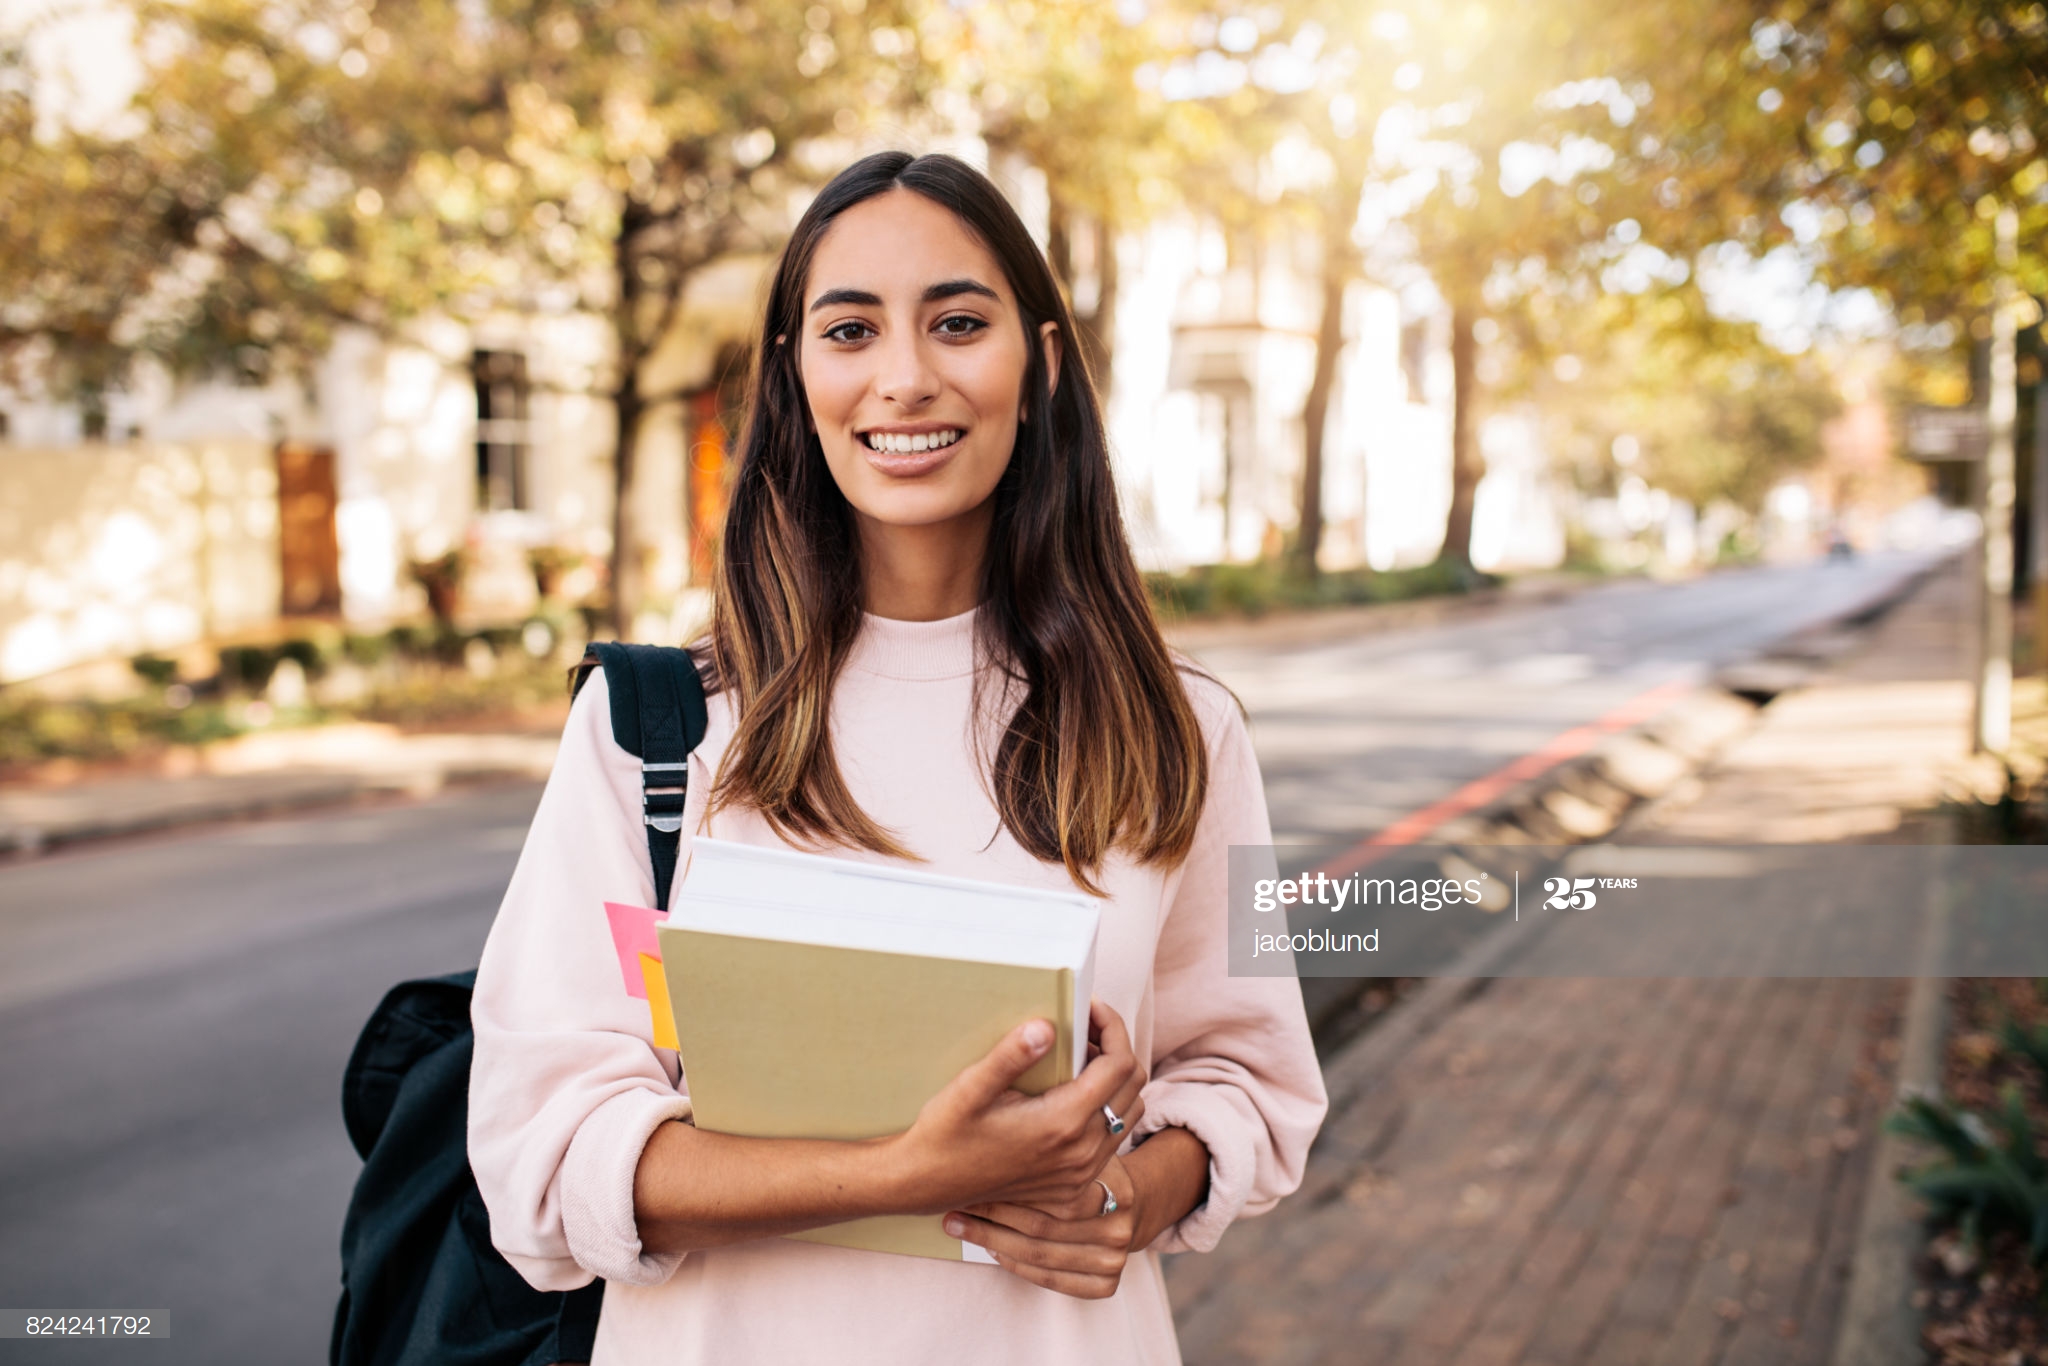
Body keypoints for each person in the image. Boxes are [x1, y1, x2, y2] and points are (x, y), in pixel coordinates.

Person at [468, 150, 1327, 1365]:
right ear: (794, 372)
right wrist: (900, 1171)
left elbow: (1246, 1076)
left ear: (1034, 365)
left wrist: (1134, 1200)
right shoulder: (653, 732)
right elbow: (539, 1157)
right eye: (850, 329)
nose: (904, 379)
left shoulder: (1179, 730)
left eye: (957, 323)